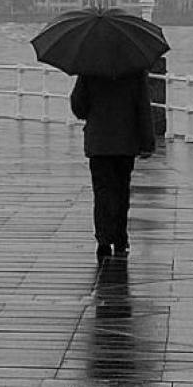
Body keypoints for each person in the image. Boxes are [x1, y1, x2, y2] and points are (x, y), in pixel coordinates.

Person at [70, 70, 156, 261]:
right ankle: (119, 238)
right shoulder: (135, 70)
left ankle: (103, 239)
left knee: (102, 191)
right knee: (121, 189)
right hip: (125, 142)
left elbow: (78, 107)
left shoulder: (90, 69)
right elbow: (143, 108)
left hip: (99, 143)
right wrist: (147, 142)